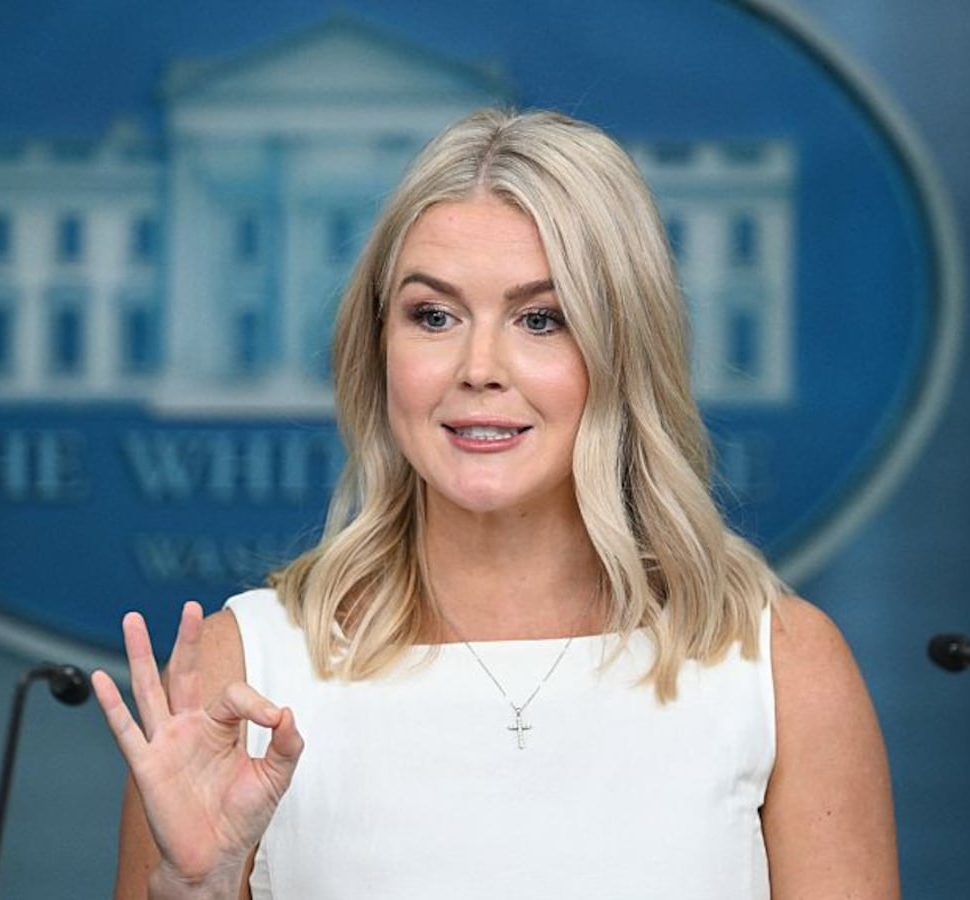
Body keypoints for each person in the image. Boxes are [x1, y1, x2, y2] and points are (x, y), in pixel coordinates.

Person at [92, 107, 899, 899]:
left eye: (541, 319)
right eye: (433, 316)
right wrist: (192, 888)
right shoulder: (247, 672)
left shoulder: (778, 666)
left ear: (624, 349)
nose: (479, 367)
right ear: (379, 351)